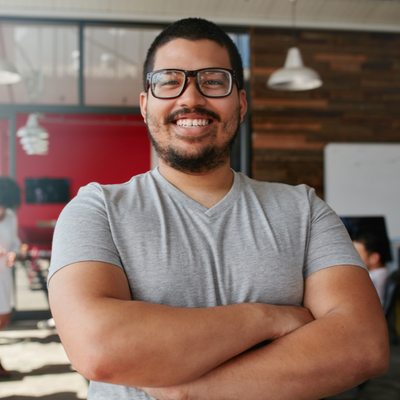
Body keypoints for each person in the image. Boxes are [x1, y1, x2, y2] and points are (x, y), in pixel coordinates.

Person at [48, 18, 389, 400]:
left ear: (240, 103)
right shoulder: (96, 210)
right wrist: (270, 317)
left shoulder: (304, 210)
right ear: (145, 105)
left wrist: (188, 391)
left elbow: (363, 345)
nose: (191, 98)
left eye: (213, 81)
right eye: (168, 81)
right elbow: (98, 346)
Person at [0, 177, 22, 378]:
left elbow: (15, 242)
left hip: (3, 276)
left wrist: (13, 252)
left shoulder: (11, 217)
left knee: (3, 318)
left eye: (5, 206)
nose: (2, 210)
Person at [352, 229, 390, 306]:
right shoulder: (385, 272)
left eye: (356, 254)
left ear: (374, 258)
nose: (351, 258)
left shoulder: (370, 280)